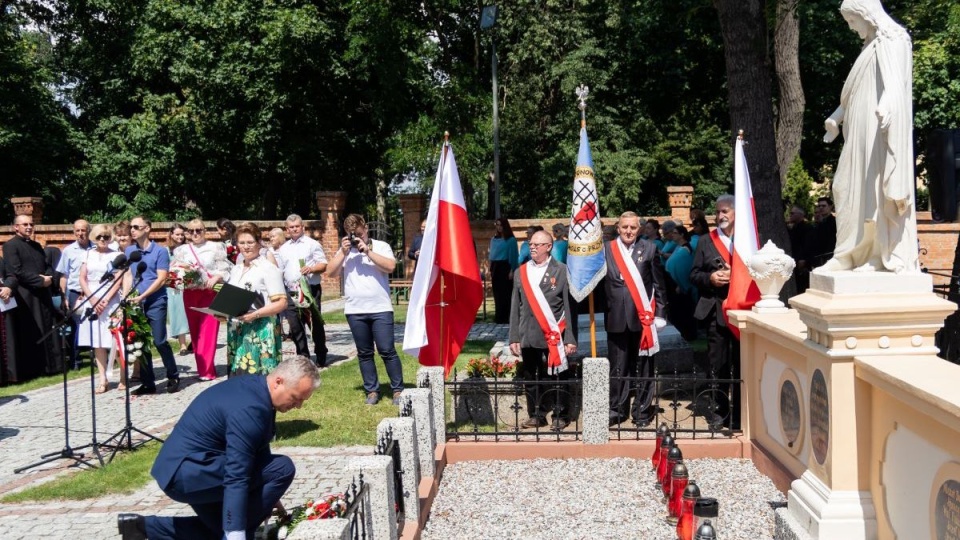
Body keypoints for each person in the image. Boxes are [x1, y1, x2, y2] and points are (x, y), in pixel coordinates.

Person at [117, 356, 319, 540]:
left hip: (185, 466)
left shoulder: (257, 388)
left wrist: (269, 498)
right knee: (281, 469)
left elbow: (257, 449)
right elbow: (237, 475)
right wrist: (236, 533)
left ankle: (142, 528)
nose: (299, 406)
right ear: (278, 382)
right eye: (296, 397)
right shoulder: (251, 408)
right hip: (189, 473)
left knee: (220, 527)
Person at [819, 0, 918, 274]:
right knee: (843, 187)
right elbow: (854, 92)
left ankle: (877, 254)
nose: (851, 28)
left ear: (865, 13)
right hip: (858, 131)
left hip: (878, 129)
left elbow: (896, 84)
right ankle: (847, 254)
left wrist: (887, 106)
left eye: (852, 21)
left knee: (873, 193)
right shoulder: (870, 46)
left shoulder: (894, 38)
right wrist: (835, 118)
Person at [326, 214, 404, 405]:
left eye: (359, 234)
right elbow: (330, 272)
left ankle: (398, 390)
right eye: (353, 235)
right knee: (364, 352)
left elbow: (391, 266)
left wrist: (367, 251)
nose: (356, 238)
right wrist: (343, 253)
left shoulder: (380, 246)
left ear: (366, 229)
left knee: (387, 349)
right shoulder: (345, 250)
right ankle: (372, 390)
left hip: (380, 307)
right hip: (355, 309)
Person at [604, 211, 668, 426]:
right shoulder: (606, 249)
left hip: (643, 318)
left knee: (644, 366)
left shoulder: (649, 248)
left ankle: (642, 411)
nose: (628, 231)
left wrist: (660, 314)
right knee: (618, 367)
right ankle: (617, 409)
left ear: (639, 229)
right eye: (624, 227)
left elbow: (659, 285)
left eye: (632, 227)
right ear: (618, 228)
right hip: (615, 317)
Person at [509, 230, 577, 430]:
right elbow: (515, 307)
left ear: (549, 247)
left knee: (558, 376)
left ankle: (561, 414)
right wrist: (514, 336)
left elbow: (570, 307)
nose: (532, 247)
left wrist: (570, 338)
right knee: (531, 376)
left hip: (554, 334)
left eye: (537, 244)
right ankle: (536, 414)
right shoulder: (520, 272)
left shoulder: (562, 271)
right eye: (531, 244)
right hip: (528, 333)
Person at [689, 194, 740, 429]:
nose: (720, 216)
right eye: (718, 211)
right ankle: (720, 411)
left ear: (736, 213)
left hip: (741, 310)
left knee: (741, 363)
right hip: (714, 309)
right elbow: (694, 275)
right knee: (717, 364)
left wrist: (738, 275)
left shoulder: (746, 239)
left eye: (725, 211)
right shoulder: (705, 241)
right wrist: (710, 278)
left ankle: (741, 412)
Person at [1, 214, 62, 381]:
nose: (29, 227)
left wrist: (49, 278)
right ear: (16, 227)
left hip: (43, 293)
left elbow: (47, 265)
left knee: (48, 327)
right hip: (27, 295)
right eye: (25, 224)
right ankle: (36, 368)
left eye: (31, 224)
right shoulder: (10, 246)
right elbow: (16, 271)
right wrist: (40, 281)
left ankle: (53, 366)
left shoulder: (36, 245)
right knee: (32, 331)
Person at [125, 216, 181, 395]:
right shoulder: (130, 251)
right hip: (136, 302)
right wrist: (127, 295)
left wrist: (143, 296)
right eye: (131, 227)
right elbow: (127, 276)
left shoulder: (160, 251)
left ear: (147, 228)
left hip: (155, 301)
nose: (132, 230)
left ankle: (173, 375)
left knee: (159, 340)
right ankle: (148, 382)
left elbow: (162, 278)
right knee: (141, 343)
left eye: (136, 227)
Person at [173, 218, 233, 381]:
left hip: (209, 292)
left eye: (198, 230)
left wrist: (217, 277)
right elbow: (176, 270)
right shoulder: (182, 250)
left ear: (204, 231)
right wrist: (179, 277)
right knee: (195, 331)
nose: (195, 233)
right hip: (190, 293)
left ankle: (207, 369)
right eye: (191, 231)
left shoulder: (215, 247)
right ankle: (201, 366)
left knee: (208, 330)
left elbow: (226, 269)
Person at [225, 223, 288, 376]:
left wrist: (255, 314)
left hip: (260, 329)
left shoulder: (267, 268)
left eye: (250, 242)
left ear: (259, 243)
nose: (246, 247)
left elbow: (282, 302)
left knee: (257, 376)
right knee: (237, 376)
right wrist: (222, 312)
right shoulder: (235, 269)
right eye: (242, 243)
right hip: (236, 330)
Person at [277, 214, 328, 366]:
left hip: (309, 289)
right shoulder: (283, 249)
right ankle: (303, 357)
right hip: (291, 290)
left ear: (302, 227)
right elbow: (280, 270)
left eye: (297, 226)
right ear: (287, 230)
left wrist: (311, 268)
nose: (294, 229)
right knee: (295, 325)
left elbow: (323, 264)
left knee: (314, 323)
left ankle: (321, 353)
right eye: (291, 227)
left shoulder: (312, 244)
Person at [77, 224, 121, 393]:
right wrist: (93, 298)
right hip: (92, 297)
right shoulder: (87, 254)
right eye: (99, 236)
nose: (103, 240)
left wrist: (107, 299)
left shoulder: (117, 255)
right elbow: (82, 278)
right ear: (94, 238)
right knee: (97, 341)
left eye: (106, 236)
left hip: (111, 299)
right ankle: (103, 379)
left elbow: (118, 279)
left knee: (115, 339)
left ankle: (122, 376)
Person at [56, 219, 93, 370]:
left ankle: (97, 356)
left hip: (92, 293)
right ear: (73, 232)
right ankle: (76, 360)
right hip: (74, 293)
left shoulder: (96, 248)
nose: (80, 233)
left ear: (88, 231)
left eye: (83, 230)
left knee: (93, 324)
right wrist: (64, 296)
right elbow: (64, 276)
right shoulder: (68, 251)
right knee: (77, 326)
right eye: (77, 230)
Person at [664, 225, 698, 341]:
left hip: (682, 286)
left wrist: (681, 283)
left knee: (685, 312)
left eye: (675, 233)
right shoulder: (678, 248)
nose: (672, 235)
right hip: (674, 284)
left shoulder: (686, 249)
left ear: (682, 234)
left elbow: (685, 267)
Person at [165, 224, 190, 356]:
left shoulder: (188, 249)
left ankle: (195, 341)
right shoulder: (166, 251)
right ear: (171, 235)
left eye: (182, 234)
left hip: (188, 284)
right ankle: (182, 344)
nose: (180, 237)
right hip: (173, 287)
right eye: (177, 234)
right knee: (178, 314)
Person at [489, 217, 519, 324]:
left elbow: (514, 255)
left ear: (505, 226)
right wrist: (491, 268)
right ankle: (499, 317)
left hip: (506, 267)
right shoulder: (493, 239)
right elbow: (491, 255)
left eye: (501, 225)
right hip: (495, 267)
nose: (499, 227)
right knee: (497, 293)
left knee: (506, 293)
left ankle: (508, 317)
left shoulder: (511, 240)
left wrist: (512, 270)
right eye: (497, 225)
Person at [787, 205, 814, 293]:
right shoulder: (794, 227)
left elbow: (807, 244)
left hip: (801, 260)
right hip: (794, 259)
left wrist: (803, 259)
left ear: (800, 214)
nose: (790, 215)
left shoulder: (807, 228)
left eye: (792, 213)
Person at [810, 197, 837, 269]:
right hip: (817, 258)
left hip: (829, 257)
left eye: (824, 206)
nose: (821, 208)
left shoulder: (835, 222)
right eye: (819, 206)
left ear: (830, 207)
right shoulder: (818, 224)